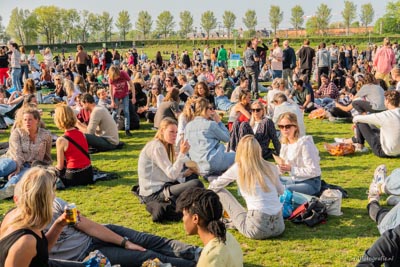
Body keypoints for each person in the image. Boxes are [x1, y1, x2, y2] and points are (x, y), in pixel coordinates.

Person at [47, 196, 202, 267]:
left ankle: (201, 253)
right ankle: (199, 265)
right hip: (85, 256)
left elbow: (90, 226)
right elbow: (41, 252)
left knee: (148, 240)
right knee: (148, 256)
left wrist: (125, 242)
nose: (53, 194)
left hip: (95, 235)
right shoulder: (26, 227)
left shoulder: (55, 203)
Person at [209, 135, 285, 239]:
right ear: (258, 150)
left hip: (256, 228)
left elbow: (215, 185)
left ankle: (214, 215)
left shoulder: (239, 168)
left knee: (219, 191)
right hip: (279, 227)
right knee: (245, 212)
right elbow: (281, 191)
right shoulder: (271, 167)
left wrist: (203, 195)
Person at [138, 118, 204, 222]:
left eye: (176, 132)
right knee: (197, 184)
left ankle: (189, 206)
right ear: (162, 131)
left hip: (163, 186)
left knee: (192, 177)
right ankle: (191, 207)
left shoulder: (163, 145)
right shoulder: (157, 147)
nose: (174, 135)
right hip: (154, 194)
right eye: (171, 132)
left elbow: (166, 173)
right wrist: (182, 153)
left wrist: (184, 174)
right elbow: (171, 174)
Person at [0, 167, 65, 267]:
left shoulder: (16, 214)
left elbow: (40, 251)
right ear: (45, 200)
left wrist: (59, 224)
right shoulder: (25, 242)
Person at [176, 187, 243, 267]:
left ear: (195, 218)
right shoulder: (226, 235)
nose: (182, 219)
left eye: (184, 215)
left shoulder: (210, 257)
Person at [0, 107, 52, 199]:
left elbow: (47, 156)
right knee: (9, 165)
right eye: (25, 120)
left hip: (30, 165)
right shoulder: (17, 133)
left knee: (17, 178)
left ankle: (3, 193)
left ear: (37, 120)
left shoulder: (46, 135)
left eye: (30, 120)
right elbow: (16, 153)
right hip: (13, 160)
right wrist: (18, 167)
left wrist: (46, 169)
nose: (27, 122)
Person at [336, 90, 400, 157]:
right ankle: (356, 141)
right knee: (372, 126)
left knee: (360, 121)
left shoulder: (384, 115)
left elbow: (357, 118)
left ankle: (360, 146)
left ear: (387, 101)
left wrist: (355, 122)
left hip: (386, 152)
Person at [185, 97, 234, 176]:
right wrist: (219, 121)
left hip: (197, 164)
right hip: (212, 162)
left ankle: (216, 175)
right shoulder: (210, 125)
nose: (212, 111)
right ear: (205, 110)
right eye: (210, 108)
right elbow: (227, 138)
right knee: (238, 156)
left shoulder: (188, 126)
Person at [277, 112, 321, 196]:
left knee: (284, 189)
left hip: (310, 182)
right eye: (281, 127)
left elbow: (314, 170)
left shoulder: (305, 143)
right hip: (295, 179)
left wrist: (291, 169)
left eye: (288, 126)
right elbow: (283, 168)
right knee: (271, 182)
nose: (284, 129)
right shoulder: (285, 143)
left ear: (295, 127)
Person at [54, 104, 93, 187]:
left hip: (74, 176)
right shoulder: (82, 134)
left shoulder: (61, 140)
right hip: (88, 173)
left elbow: (60, 166)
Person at [108, 65, 135, 137]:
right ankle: (111, 129)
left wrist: (133, 97)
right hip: (116, 94)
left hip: (125, 93)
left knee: (126, 111)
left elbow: (131, 84)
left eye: (117, 76)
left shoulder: (123, 73)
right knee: (115, 112)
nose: (116, 78)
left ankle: (127, 129)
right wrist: (112, 101)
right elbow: (110, 90)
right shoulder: (111, 78)